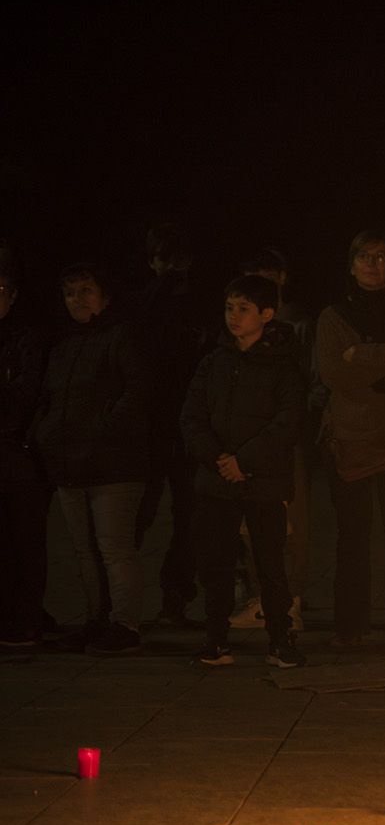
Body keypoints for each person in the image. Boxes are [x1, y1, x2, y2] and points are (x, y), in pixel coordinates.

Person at [181, 275, 306, 668]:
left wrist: (244, 461)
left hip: (263, 482)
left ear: (267, 314)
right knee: (215, 563)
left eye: (244, 309)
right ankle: (216, 640)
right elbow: (192, 417)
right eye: (229, 308)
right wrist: (219, 459)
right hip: (217, 481)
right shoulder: (214, 362)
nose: (234, 317)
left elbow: (288, 421)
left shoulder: (284, 365)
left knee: (270, 563)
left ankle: (280, 640)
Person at [316, 230, 385, 649]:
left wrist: (361, 355)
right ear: (351, 265)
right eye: (364, 256)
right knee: (353, 535)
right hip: (352, 437)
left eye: (380, 257)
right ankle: (351, 625)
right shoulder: (333, 317)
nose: (372, 263)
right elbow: (335, 375)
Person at [33, 263, 151, 653]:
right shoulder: (65, 345)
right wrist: (48, 433)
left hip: (113, 464)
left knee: (113, 545)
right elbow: (51, 398)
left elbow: (138, 391)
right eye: (70, 293)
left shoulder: (121, 336)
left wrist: (102, 431)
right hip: (70, 463)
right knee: (84, 548)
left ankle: (125, 623)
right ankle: (96, 618)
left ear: (105, 295)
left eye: (86, 290)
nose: (77, 300)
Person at [231, 250, 314, 631]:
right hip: (245, 443)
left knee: (288, 522)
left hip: (282, 441)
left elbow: (304, 386)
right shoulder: (233, 337)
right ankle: (260, 597)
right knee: (250, 524)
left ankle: (288, 601)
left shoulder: (295, 327)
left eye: (265, 275)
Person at [133, 223, 209, 626]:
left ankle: (175, 596)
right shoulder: (143, 305)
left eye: (180, 259)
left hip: (188, 429)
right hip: (149, 429)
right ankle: (119, 601)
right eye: (165, 258)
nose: (174, 267)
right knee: (137, 516)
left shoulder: (202, 306)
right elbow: (140, 326)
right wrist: (163, 282)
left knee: (189, 518)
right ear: (152, 261)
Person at [0, 251, 54, 648]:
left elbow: (27, 394)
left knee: (24, 540)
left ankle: (27, 618)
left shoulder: (28, 338)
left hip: (19, 456)